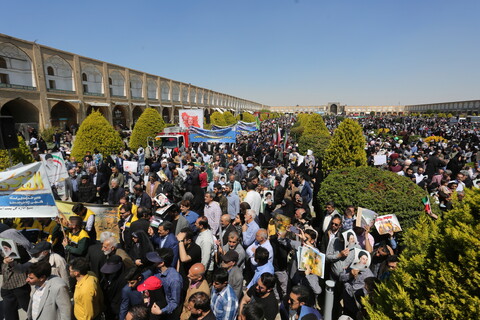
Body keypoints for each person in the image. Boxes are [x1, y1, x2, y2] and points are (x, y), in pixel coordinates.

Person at [144, 248, 183, 318]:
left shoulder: (174, 280)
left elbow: (174, 303)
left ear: (162, 263)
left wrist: (161, 311)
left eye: (155, 260)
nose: (153, 261)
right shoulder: (157, 270)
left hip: (166, 314)